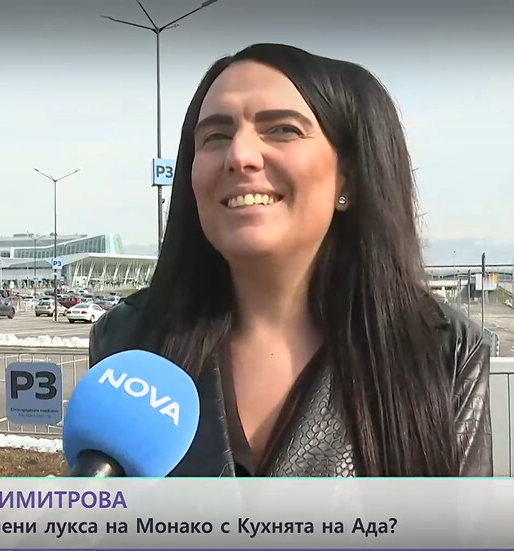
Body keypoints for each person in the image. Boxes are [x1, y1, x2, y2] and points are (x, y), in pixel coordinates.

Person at [90, 43, 492, 477]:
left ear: (349, 179)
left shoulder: (444, 352)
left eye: (282, 129)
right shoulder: (129, 341)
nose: (239, 156)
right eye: (215, 136)